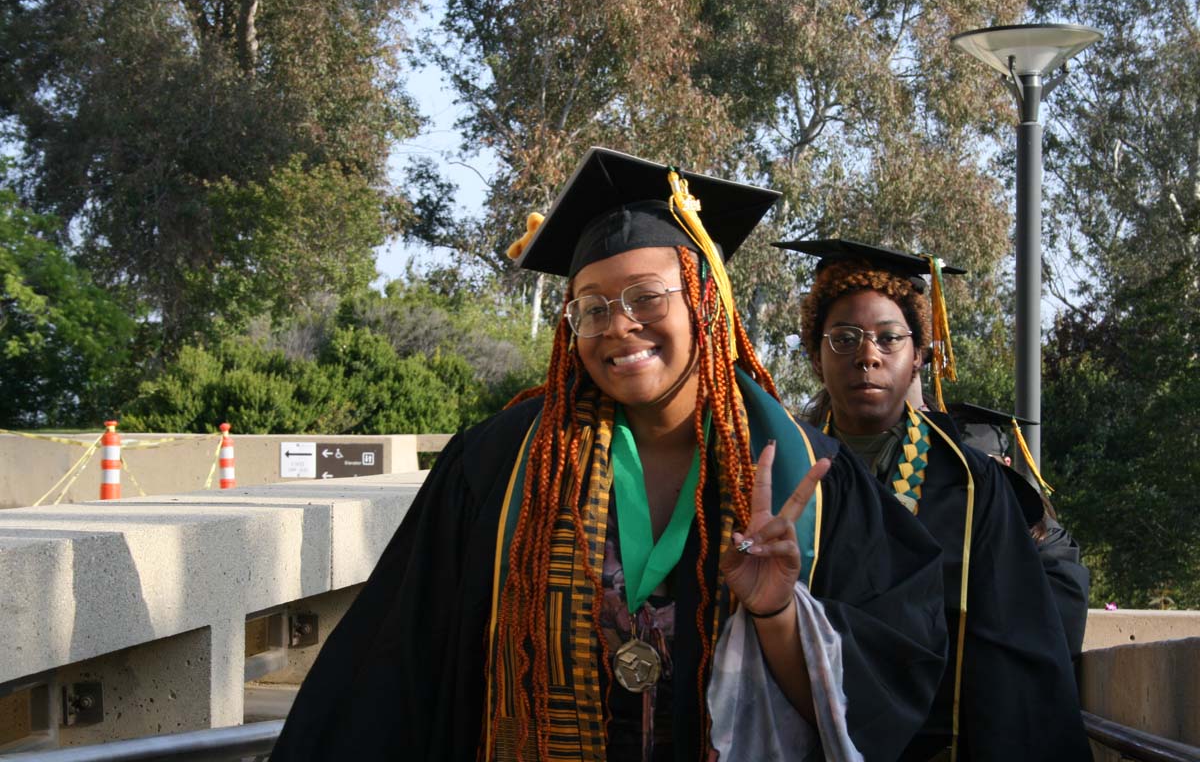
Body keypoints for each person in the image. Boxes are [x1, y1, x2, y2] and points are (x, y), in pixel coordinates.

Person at [270, 149, 947, 761]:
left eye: (648, 297)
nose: (618, 324)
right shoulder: (502, 466)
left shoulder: (814, 480)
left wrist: (777, 614)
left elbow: (880, 704)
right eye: (590, 308)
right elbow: (397, 668)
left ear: (706, 305)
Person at [777, 238, 1091, 761]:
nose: (867, 355)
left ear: (919, 356)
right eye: (844, 338)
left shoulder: (974, 484)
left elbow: (1015, 650)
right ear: (815, 354)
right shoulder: (783, 464)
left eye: (889, 338)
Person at [947, 402, 1090, 659]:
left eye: (985, 467)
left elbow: (1059, 629)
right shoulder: (943, 525)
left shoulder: (1048, 540)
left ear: (1007, 463)